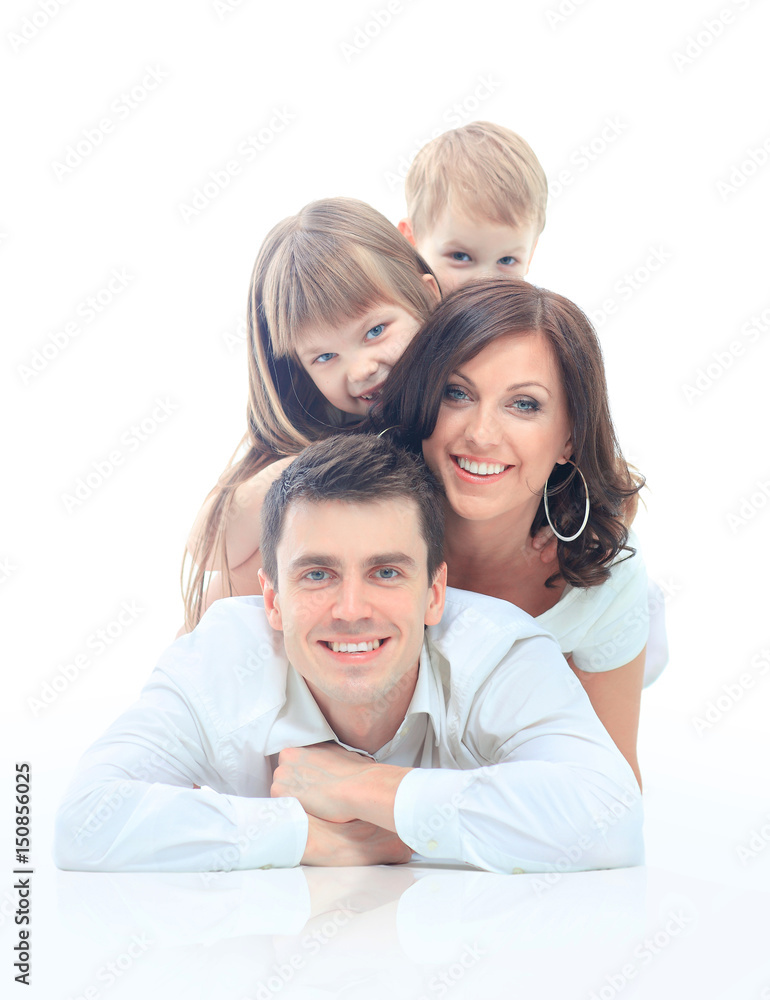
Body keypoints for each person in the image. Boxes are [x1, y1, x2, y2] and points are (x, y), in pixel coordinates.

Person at [54, 434, 642, 875]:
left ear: (435, 593)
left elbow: (614, 819)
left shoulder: (496, 651)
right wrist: (305, 836)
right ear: (272, 598)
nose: (351, 608)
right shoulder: (222, 656)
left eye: (386, 571)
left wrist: (366, 788)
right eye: (317, 574)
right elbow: (82, 819)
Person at [372, 279, 651, 787]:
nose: (480, 433)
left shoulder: (604, 585)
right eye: (457, 393)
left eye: (524, 404)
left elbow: (609, 799)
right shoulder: (357, 528)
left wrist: (372, 791)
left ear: (569, 437)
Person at [182, 196, 439, 631]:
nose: (359, 370)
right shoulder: (332, 432)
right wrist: (313, 467)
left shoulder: (471, 391)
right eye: (324, 357)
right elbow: (207, 548)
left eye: (376, 331)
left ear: (427, 295)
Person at [397, 121, 547, 294]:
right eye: (460, 256)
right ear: (410, 242)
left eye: (506, 260)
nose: (485, 284)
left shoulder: (533, 319)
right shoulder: (397, 317)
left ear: (530, 255)